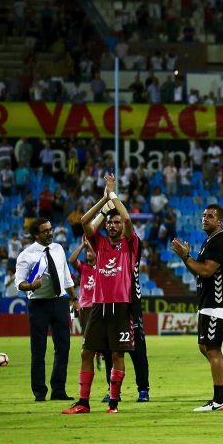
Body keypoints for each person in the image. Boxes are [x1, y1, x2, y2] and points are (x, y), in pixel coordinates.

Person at [63, 175, 135, 415]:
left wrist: (113, 195)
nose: (113, 225)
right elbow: (85, 221)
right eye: (109, 222)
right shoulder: (99, 243)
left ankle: (113, 403)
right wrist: (104, 203)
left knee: (116, 354)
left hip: (120, 306)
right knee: (86, 352)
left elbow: (127, 218)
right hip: (98, 306)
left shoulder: (130, 244)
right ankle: (83, 402)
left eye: (116, 223)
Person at [171, 204, 223, 412]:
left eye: (210, 216)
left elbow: (207, 271)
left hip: (217, 303)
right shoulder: (209, 241)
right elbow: (199, 272)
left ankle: (219, 401)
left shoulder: (219, 241)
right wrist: (187, 258)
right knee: (205, 347)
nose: (205, 219)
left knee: (212, 349)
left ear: (220, 221)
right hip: (207, 302)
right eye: (203, 215)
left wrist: (185, 257)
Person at [15, 217, 79, 402]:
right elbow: (19, 283)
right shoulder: (26, 255)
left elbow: (66, 277)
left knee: (63, 347)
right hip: (38, 305)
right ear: (36, 235)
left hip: (60, 302)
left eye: (51, 229)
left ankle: (58, 390)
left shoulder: (58, 249)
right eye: (45, 231)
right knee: (38, 350)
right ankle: (39, 392)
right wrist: (31, 285)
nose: (50, 233)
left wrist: (74, 298)